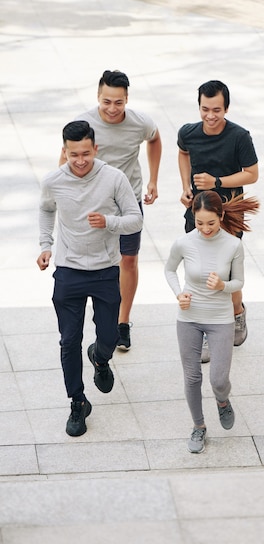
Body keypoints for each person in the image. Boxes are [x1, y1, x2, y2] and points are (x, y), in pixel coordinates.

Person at [38, 120, 143, 437]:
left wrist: (109, 222)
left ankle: (100, 357)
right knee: (68, 341)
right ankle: (77, 402)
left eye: (85, 153)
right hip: (69, 269)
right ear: (64, 152)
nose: (80, 160)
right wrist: (46, 246)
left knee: (109, 337)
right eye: (73, 155)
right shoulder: (54, 181)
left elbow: (134, 219)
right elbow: (45, 210)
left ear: (96, 149)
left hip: (104, 270)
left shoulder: (114, 178)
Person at [60, 69, 162, 350]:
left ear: (127, 98)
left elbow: (154, 139)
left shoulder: (140, 123)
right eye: (106, 101)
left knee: (128, 260)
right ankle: (99, 319)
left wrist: (153, 179)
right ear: (98, 97)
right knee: (96, 263)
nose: (112, 108)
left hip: (127, 202)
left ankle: (122, 322)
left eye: (118, 102)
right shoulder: (84, 123)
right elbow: (65, 159)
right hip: (93, 202)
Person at [164, 190, 259, 453]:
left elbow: (239, 282)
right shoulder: (183, 243)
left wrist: (223, 285)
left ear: (221, 216)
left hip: (220, 319)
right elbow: (170, 269)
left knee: (218, 379)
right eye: (199, 223)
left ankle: (222, 400)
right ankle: (199, 426)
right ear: (193, 217)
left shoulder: (232, 244)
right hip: (189, 317)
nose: (205, 229)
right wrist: (178, 293)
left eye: (211, 223)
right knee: (192, 377)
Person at [177, 80, 258, 358]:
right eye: (204, 109)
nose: (210, 116)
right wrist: (186, 187)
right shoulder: (188, 133)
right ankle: (208, 332)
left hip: (230, 212)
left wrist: (217, 181)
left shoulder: (239, 136)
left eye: (217, 110)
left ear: (226, 108)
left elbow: (252, 173)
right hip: (198, 212)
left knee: (225, 275)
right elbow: (183, 153)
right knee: (198, 273)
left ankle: (237, 312)